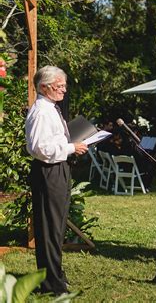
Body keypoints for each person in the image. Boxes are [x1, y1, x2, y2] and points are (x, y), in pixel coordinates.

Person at [26, 66, 88, 295]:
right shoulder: (41, 112)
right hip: (48, 170)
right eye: (59, 86)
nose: (64, 90)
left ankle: (55, 276)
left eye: (64, 85)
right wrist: (72, 147)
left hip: (57, 168)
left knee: (56, 226)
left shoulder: (51, 108)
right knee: (49, 228)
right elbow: (39, 148)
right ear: (44, 87)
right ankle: (52, 284)